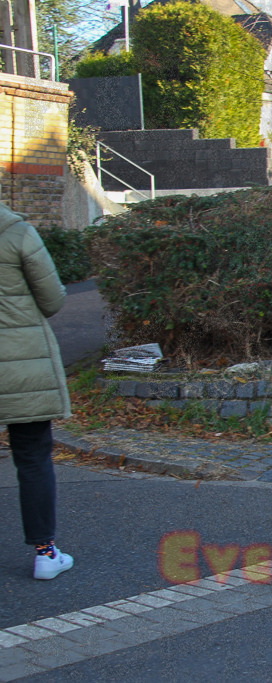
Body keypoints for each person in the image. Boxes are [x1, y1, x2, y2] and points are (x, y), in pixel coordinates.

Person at [0, 202, 74, 580]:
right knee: (32, 458)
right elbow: (52, 299)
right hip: (22, 364)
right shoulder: (18, 233)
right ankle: (45, 553)